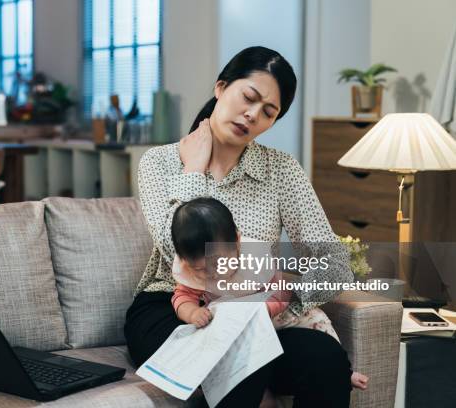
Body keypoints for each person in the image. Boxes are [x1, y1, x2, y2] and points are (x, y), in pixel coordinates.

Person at [124, 46, 356, 407]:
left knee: (325, 359)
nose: (252, 115)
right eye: (248, 97)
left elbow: (336, 265)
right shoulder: (160, 162)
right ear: (221, 88)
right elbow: (179, 252)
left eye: (268, 112)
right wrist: (193, 172)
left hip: (256, 312)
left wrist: (283, 293)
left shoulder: (281, 170)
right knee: (240, 350)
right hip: (175, 308)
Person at [169, 197, 369, 391]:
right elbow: (182, 297)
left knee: (318, 320)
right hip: (235, 326)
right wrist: (193, 313)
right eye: (201, 270)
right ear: (186, 261)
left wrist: (266, 309)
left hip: (275, 315)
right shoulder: (190, 269)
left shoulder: (256, 259)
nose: (212, 272)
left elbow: (282, 292)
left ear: (237, 242)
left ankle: (346, 371)